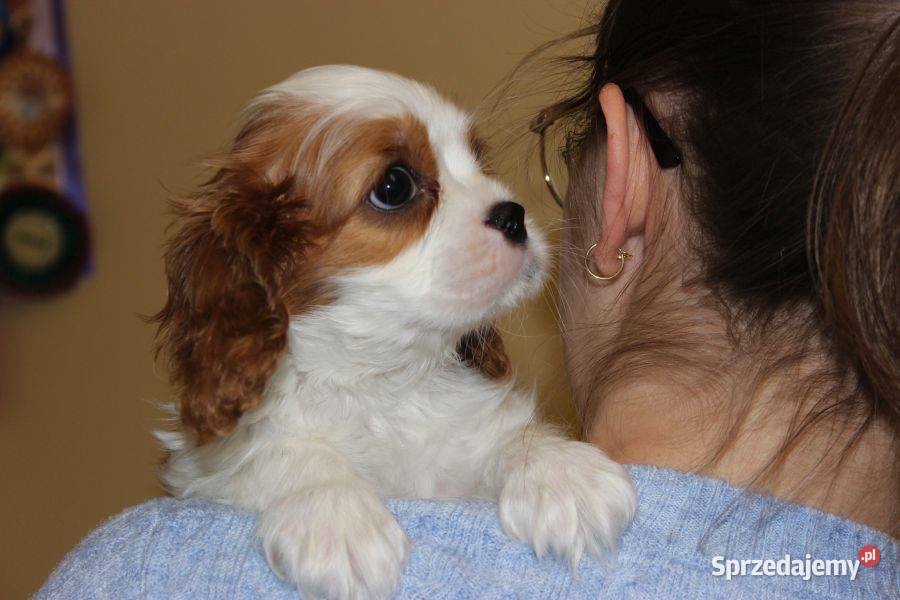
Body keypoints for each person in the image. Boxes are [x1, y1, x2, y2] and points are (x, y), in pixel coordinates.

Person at [38, 1, 898, 597]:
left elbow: (492, 446)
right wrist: (303, 483)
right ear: (253, 268)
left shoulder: (147, 577)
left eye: (474, 165)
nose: (495, 199)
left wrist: (531, 460)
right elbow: (226, 459)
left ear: (624, 184)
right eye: (399, 187)